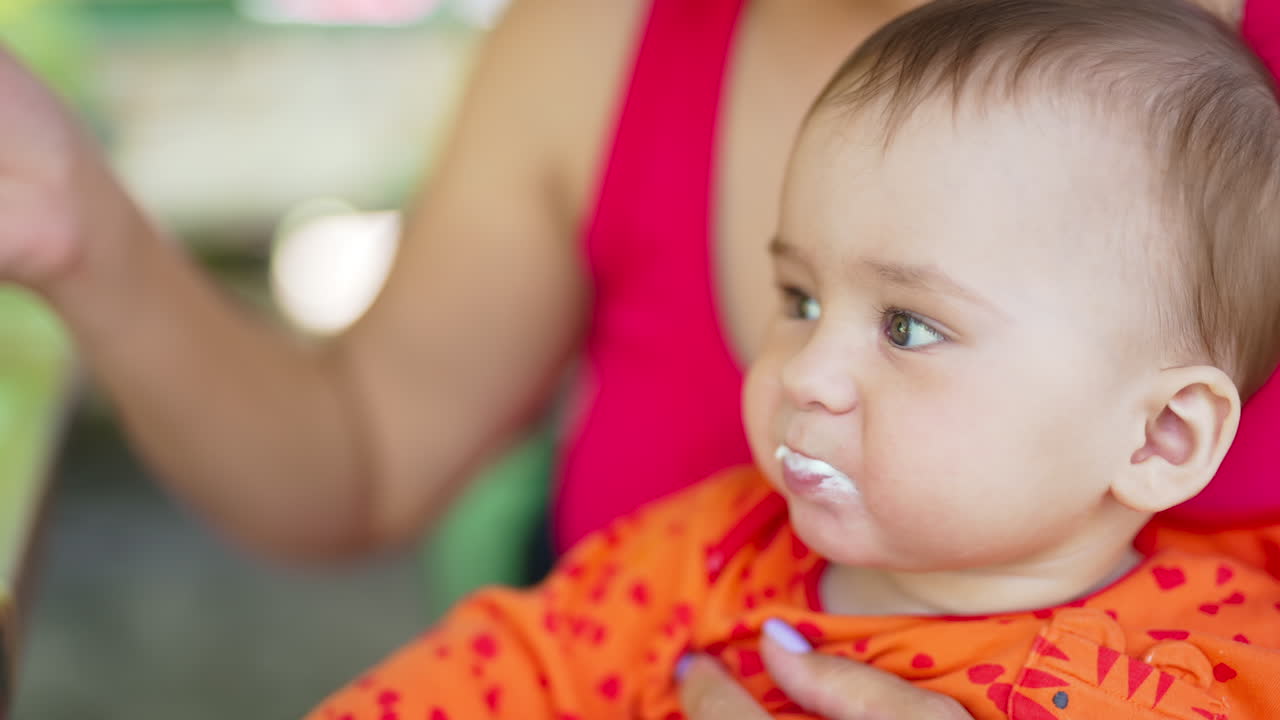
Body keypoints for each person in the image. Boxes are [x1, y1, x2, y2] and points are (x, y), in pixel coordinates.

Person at [302, 0, 1280, 717]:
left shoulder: (1227, 661)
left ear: (1158, 435)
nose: (804, 373)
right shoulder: (697, 557)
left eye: (905, 326)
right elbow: (482, 678)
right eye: (799, 301)